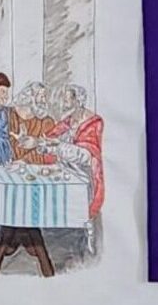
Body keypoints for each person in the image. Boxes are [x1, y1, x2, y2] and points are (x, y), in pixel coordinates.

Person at [48, 84, 105, 215]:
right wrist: (39, 143)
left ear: (77, 101)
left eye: (67, 100)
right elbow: (50, 137)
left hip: (82, 177)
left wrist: (56, 146)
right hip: (65, 172)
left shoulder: (93, 124)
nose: (63, 103)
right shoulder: (68, 121)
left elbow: (84, 156)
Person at [8, 82, 57, 164]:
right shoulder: (9, 115)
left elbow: (51, 151)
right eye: (42, 97)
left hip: (32, 167)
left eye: (45, 97)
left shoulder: (47, 122)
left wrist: (25, 160)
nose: (44, 101)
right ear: (31, 98)